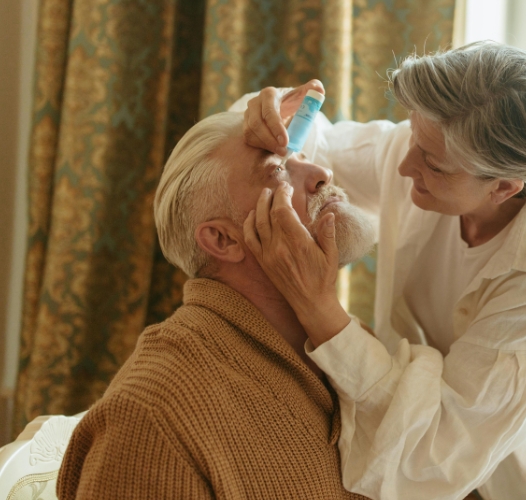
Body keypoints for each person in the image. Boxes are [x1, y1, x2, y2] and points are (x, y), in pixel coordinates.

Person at [239, 42, 526, 499]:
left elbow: (437, 453)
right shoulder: (428, 149)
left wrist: (318, 307)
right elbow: (320, 146)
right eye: (415, 137)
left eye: (432, 163)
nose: (404, 164)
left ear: (504, 187)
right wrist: (272, 113)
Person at [57, 111, 377, 500]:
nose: (322, 171)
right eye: (277, 170)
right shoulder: (152, 415)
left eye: (301, 157)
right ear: (223, 241)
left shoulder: (349, 351)